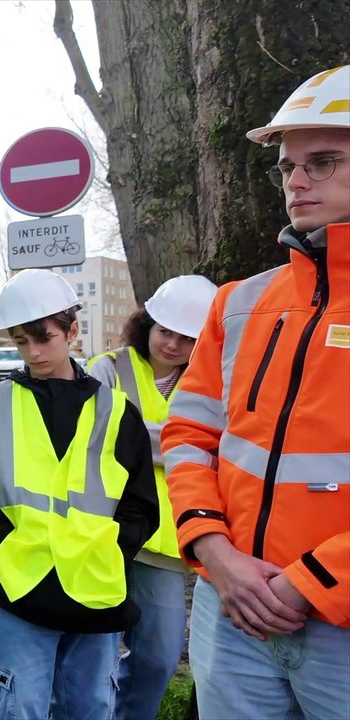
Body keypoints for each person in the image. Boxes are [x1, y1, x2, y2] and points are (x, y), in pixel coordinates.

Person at [163, 65, 350, 720]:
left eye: (322, 162)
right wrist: (214, 553)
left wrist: (308, 585)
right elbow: (187, 437)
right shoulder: (237, 305)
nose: (296, 181)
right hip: (230, 605)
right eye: (288, 166)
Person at [0, 269, 158, 720]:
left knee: (87, 708)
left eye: (43, 338)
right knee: (18, 709)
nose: (33, 352)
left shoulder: (116, 411)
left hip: (96, 590)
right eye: (21, 341)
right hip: (23, 585)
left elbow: (142, 504)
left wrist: (113, 547)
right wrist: (1, 538)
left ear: (72, 331)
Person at [86, 274, 217, 720]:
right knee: (92, 654)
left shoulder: (211, 380)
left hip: (167, 541)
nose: (173, 345)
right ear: (147, 323)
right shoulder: (107, 367)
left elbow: (219, 443)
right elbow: (98, 434)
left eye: (186, 338)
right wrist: (182, 443)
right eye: (165, 331)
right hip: (105, 530)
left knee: (160, 657)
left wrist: (139, 434)